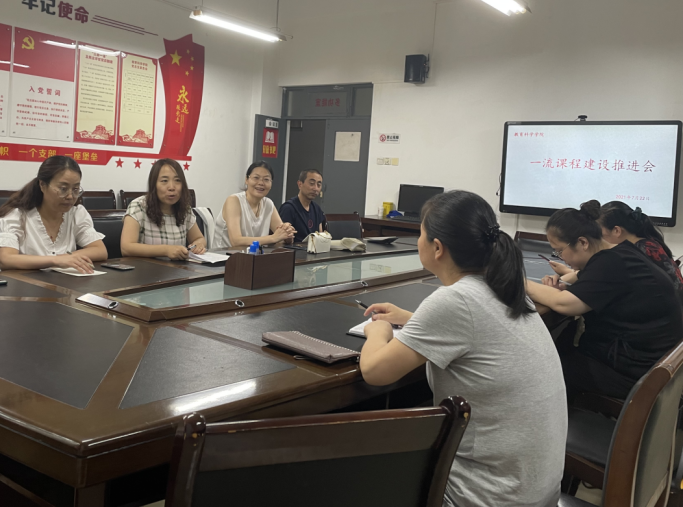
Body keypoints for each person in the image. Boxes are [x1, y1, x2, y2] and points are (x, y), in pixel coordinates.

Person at [359, 190, 567, 507]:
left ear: (437, 248)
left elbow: (375, 372)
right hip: (535, 491)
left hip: (488, 497)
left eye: (421, 234)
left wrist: (379, 331)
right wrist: (412, 320)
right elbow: (479, 331)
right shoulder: (505, 287)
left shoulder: (455, 300)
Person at [525, 200, 683, 402]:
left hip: (633, 372)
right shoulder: (622, 252)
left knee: (539, 369)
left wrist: (519, 281)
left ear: (583, 243)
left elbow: (565, 304)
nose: (561, 257)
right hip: (650, 362)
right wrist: (568, 289)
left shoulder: (612, 261)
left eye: (559, 251)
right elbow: (593, 290)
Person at [0, 156, 107, 272]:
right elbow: (6, 259)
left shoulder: (76, 214)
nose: (70, 196)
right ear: (42, 185)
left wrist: (65, 258)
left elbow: (100, 250)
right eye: (63, 189)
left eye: (75, 189)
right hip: (13, 282)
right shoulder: (17, 215)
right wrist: (56, 260)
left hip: (56, 281)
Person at [121, 158, 207, 260]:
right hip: (146, 268)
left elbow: (199, 238)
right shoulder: (138, 206)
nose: (172, 187)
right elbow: (126, 248)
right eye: (164, 181)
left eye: (177, 180)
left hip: (178, 268)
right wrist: (166, 250)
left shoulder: (185, 209)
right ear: (154, 185)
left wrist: (198, 244)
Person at [212, 162, 295, 249]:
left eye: (266, 179)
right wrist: (273, 238)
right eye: (256, 178)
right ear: (246, 180)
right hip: (223, 255)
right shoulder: (234, 200)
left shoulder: (268, 204)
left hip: (253, 255)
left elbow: (281, 236)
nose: (261, 183)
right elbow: (236, 241)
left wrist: (287, 234)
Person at [279, 168, 326, 242]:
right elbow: (282, 240)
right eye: (311, 183)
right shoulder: (288, 208)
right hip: (294, 248)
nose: (315, 188)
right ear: (300, 184)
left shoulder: (316, 208)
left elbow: (320, 236)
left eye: (319, 185)